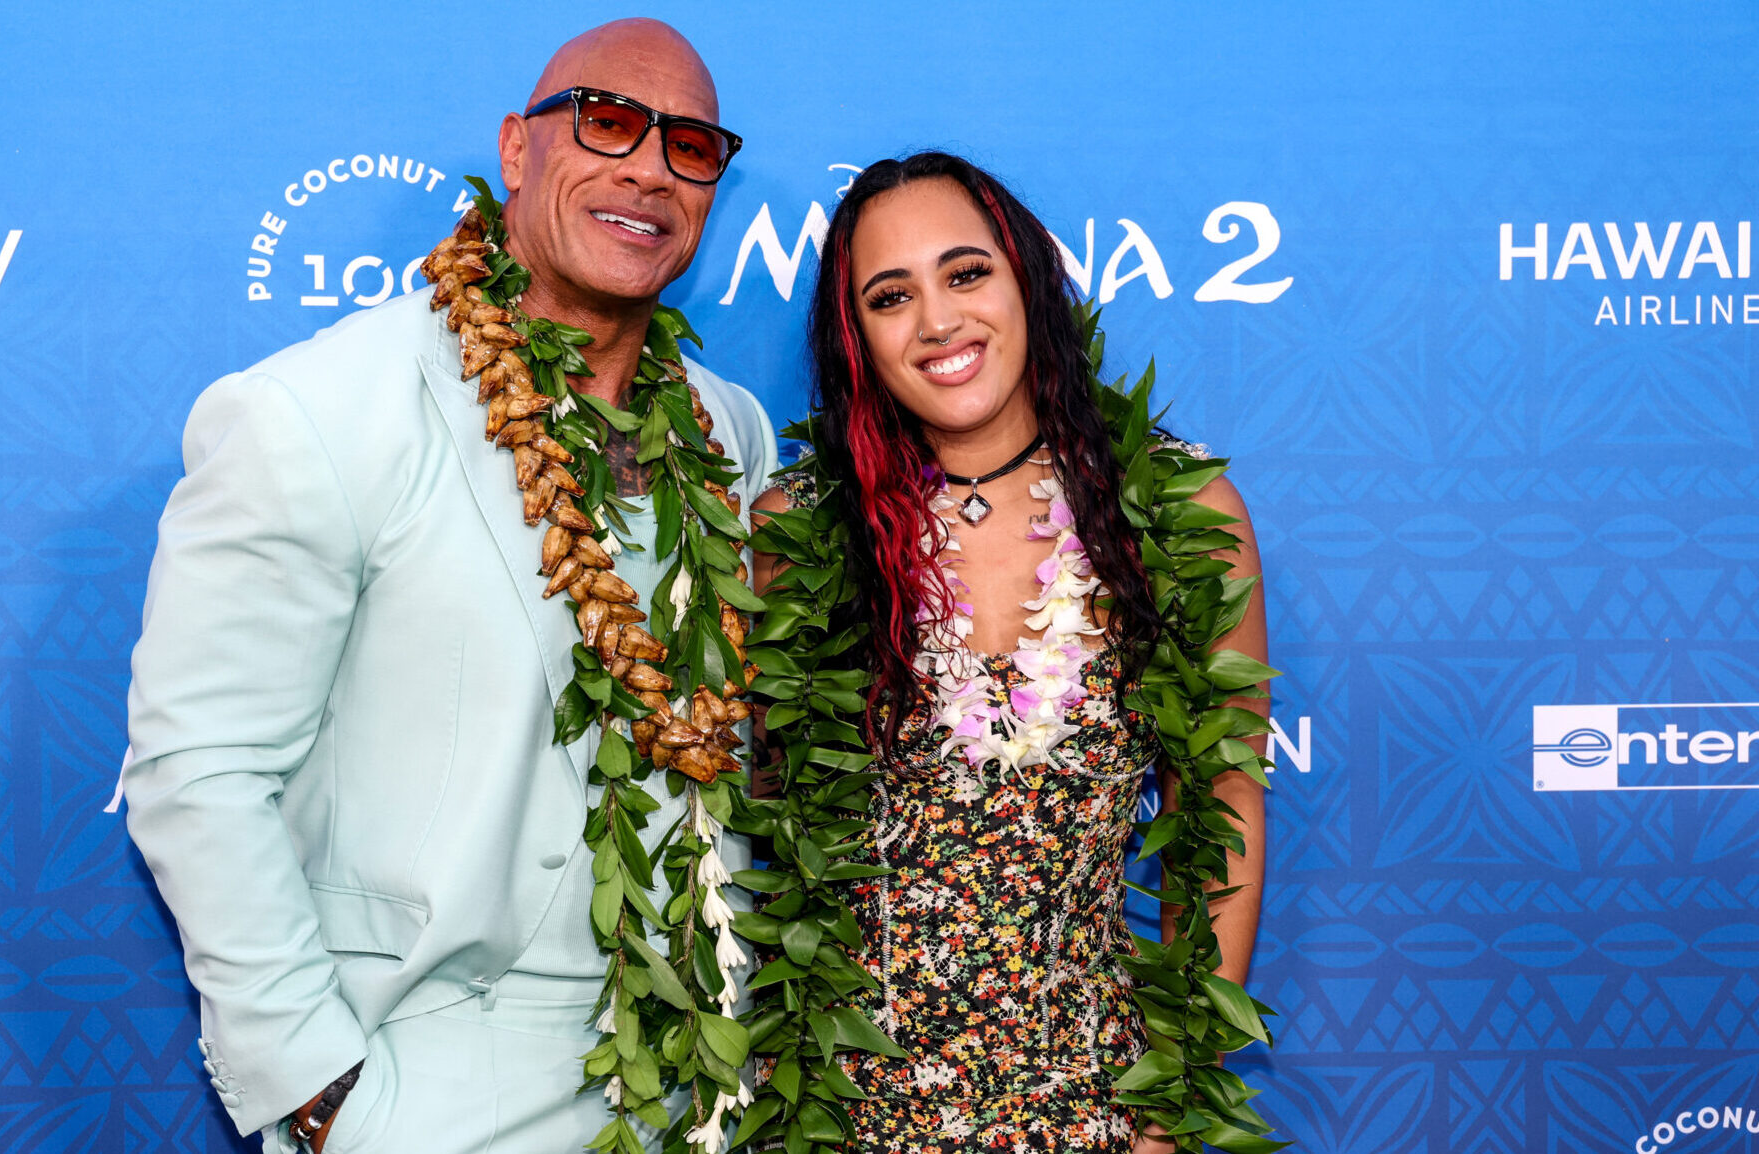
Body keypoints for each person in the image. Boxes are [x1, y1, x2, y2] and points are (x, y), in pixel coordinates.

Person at [121, 20, 776, 1154]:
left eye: (691, 146)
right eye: (607, 121)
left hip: (695, 1081)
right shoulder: (317, 415)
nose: (647, 169)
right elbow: (197, 769)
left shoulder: (726, 433)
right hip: (432, 1076)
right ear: (516, 150)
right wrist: (324, 1096)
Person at [753, 153, 1269, 1153]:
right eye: (890, 295)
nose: (937, 321)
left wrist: (1173, 1104)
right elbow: (769, 837)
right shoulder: (798, 531)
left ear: (1027, 278)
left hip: (1098, 1101)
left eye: (965, 272)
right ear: (855, 334)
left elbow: (1226, 805)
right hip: (845, 1115)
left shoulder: (1174, 513)